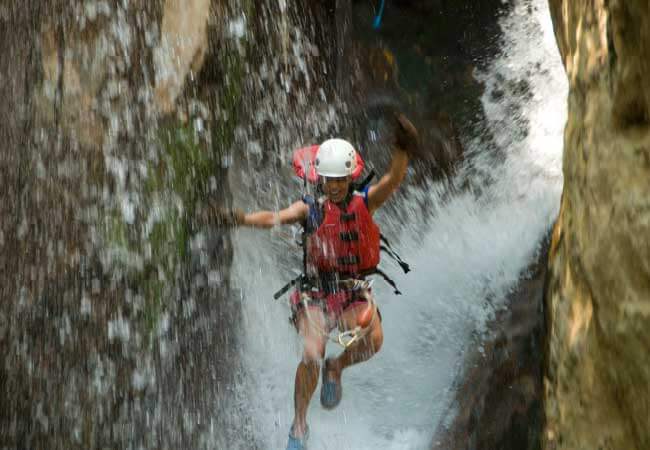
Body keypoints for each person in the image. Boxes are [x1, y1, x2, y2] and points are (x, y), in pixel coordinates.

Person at [205, 114, 419, 450]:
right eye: (328, 179)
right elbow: (275, 218)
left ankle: (338, 367)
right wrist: (239, 218)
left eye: (340, 179)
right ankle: (299, 425)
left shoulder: (365, 203)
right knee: (311, 352)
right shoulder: (311, 209)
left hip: (351, 291)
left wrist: (403, 148)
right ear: (319, 178)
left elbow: (393, 178)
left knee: (372, 338)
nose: (333, 186)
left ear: (351, 177)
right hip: (317, 294)